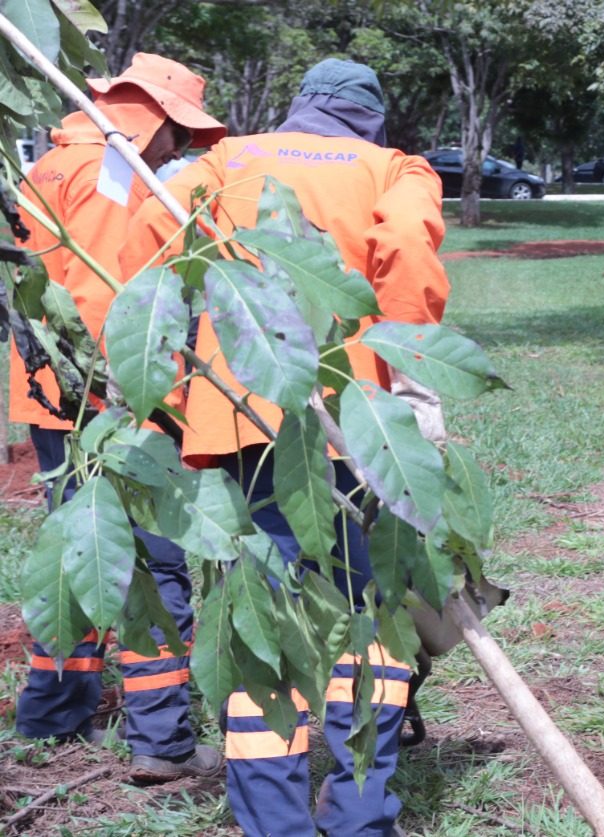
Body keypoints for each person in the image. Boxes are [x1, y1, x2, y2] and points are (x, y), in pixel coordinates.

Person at [121, 59, 449, 836]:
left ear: (299, 110)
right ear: (369, 121)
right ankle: (360, 815)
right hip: (354, 422)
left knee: (265, 610)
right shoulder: (393, 167)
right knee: (365, 612)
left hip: (238, 419)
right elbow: (404, 238)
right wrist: (411, 373)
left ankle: (275, 821)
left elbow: (149, 242)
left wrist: (168, 393)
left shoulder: (225, 160)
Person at [9, 53, 228, 783]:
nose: (181, 152)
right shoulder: (112, 170)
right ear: (156, 115)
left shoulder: (55, 160)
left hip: (49, 395)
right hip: (112, 401)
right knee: (153, 565)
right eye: (181, 137)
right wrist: (147, 397)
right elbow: (106, 297)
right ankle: (161, 741)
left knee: (82, 550)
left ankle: (52, 710)